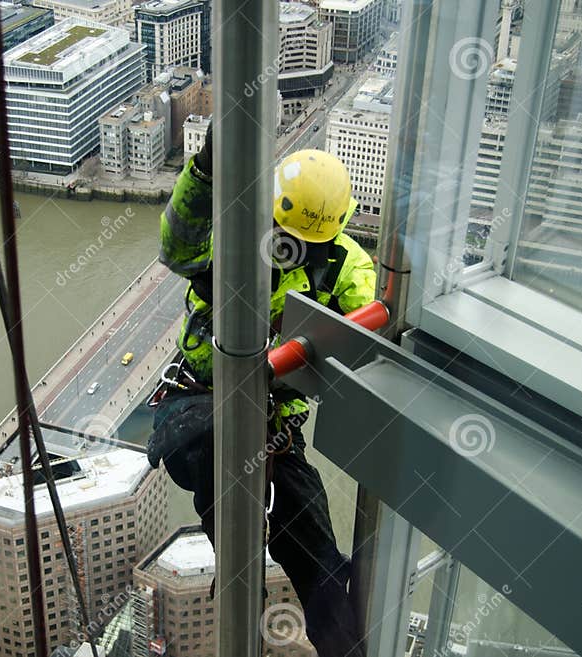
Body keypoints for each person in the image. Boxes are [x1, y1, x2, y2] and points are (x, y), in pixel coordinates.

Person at [147, 123, 375, 657]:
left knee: (319, 559)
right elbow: (177, 246)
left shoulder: (346, 268)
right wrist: (204, 173)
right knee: (216, 458)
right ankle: (236, 570)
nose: (293, 250)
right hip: (199, 402)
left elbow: (360, 343)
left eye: (307, 244)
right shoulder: (235, 241)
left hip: (273, 425)